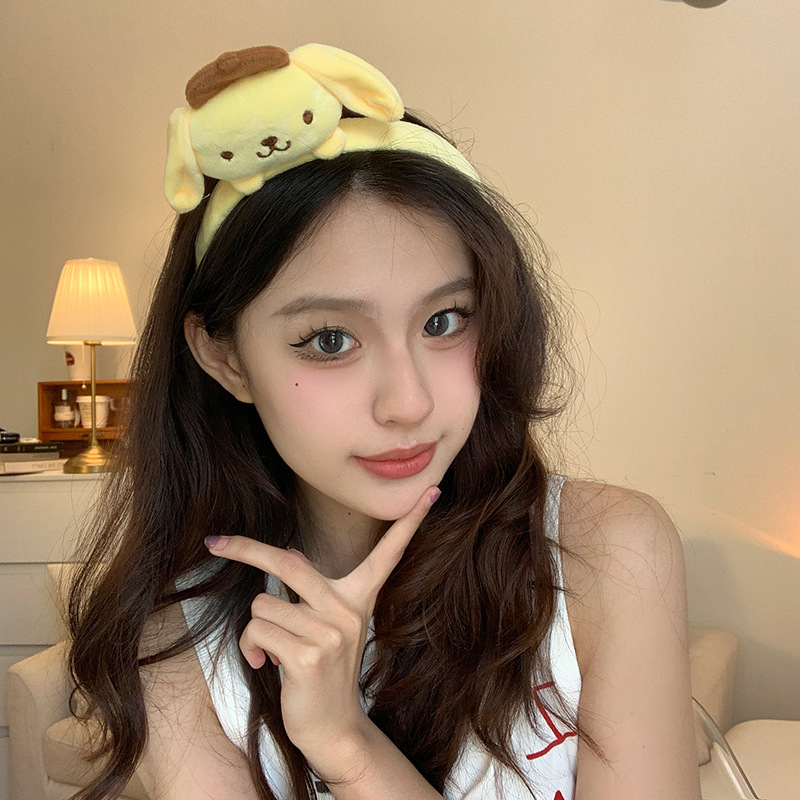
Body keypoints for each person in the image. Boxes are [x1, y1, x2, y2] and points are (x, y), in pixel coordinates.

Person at [67, 44, 701, 800]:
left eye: (444, 320)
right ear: (225, 357)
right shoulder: (181, 641)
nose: (408, 403)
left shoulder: (606, 555)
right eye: (331, 340)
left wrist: (350, 749)